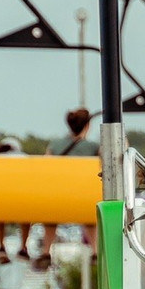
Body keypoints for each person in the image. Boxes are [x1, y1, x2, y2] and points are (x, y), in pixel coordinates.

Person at [38, 108, 100, 269]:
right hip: (83, 197)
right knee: (89, 220)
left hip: (59, 197)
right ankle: (95, 251)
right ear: (87, 126)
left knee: (50, 219)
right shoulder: (93, 147)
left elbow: (46, 167)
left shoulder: (56, 144)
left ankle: (46, 251)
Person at [0, 137, 31, 263]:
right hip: (21, 199)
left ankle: (1, 246)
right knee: (27, 215)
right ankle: (23, 247)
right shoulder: (24, 157)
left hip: (1, 199)